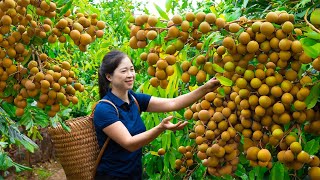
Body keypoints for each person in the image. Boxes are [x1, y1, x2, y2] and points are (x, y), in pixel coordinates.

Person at [93, 50, 220, 180]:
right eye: (124, 71)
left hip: (134, 175)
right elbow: (129, 143)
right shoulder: (104, 109)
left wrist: (206, 88)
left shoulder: (134, 99)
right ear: (109, 77)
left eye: (132, 69)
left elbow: (173, 103)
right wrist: (161, 127)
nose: (130, 75)